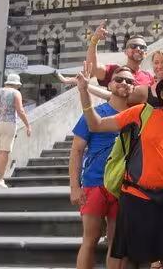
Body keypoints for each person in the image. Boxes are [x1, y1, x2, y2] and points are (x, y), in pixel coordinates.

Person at [76, 64, 163, 268]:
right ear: (161, 93)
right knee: (131, 260)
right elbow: (96, 125)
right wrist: (83, 92)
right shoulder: (142, 113)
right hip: (135, 198)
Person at [70, 66, 134, 269]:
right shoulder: (95, 113)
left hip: (124, 186)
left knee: (117, 243)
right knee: (91, 238)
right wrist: (74, 186)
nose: (124, 83)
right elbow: (77, 151)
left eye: (129, 81)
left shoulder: (137, 116)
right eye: (119, 79)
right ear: (110, 84)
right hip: (94, 182)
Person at [0, 73, 31, 189]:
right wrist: (28, 125)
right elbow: (20, 110)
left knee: (0, 151)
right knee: (5, 152)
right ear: (16, 85)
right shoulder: (16, 93)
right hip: (8, 123)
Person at [86, 22, 154, 88]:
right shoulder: (115, 70)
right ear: (125, 51)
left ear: (145, 54)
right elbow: (93, 67)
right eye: (133, 46)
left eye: (142, 47)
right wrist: (94, 40)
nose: (138, 49)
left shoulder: (149, 77)